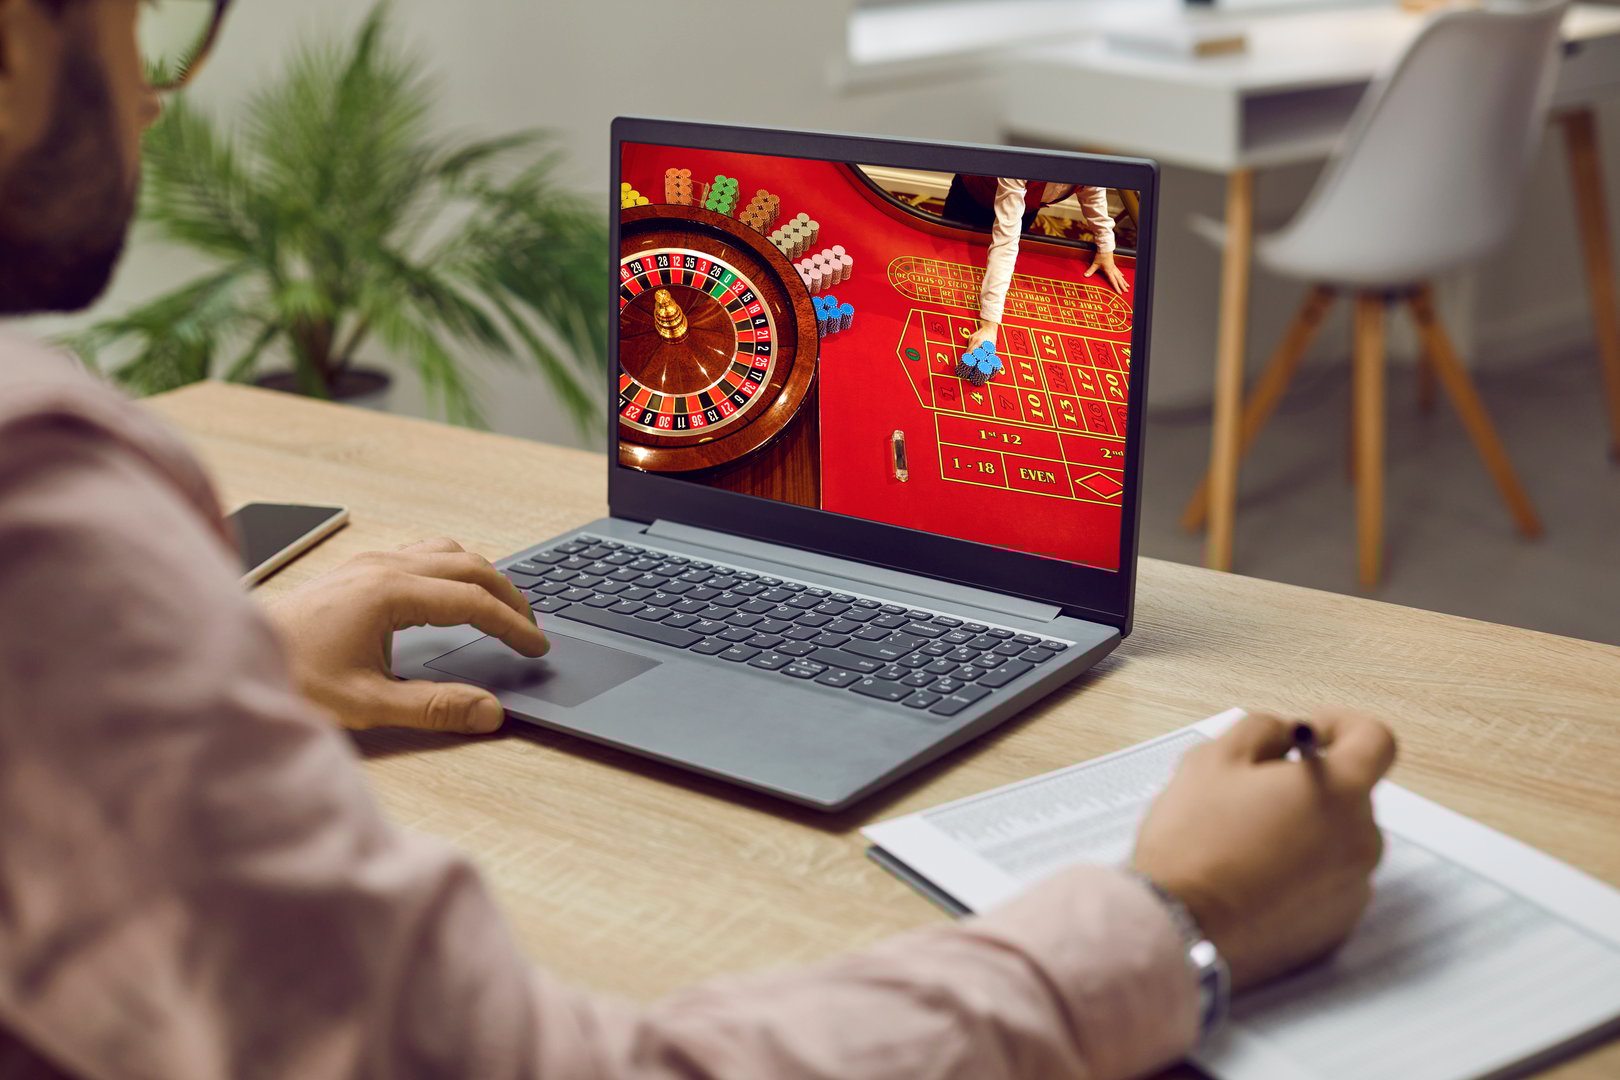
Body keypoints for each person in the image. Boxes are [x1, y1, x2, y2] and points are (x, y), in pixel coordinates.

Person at [0, 2, 1397, 1077]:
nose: (154, 93)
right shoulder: (44, 512)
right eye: (140, 22)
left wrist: (206, 664)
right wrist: (1181, 914)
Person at [945, 177, 1130, 356]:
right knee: (951, 264)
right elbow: (1006, 241)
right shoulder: (1023, 159)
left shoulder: (1089, 160)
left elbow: (1093, 190)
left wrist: (1105, 247)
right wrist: (989, 324)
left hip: (1025, 207)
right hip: (973, 197)